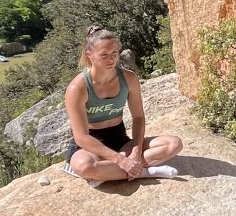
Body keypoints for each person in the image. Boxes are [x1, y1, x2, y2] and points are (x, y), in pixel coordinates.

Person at [64, 25, 183, 186]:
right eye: (104, 55)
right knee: (84, 166)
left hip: (119, 139)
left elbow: (138, 117)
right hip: (90, 146)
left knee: (173, 144)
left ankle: (107, 174)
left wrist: (135, 151)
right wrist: (121, 160)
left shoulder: (128, 78)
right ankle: (145, 172)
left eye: (114, 53)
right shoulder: (77, 88)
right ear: (89, 55)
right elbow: (81, 137)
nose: (111, 59)